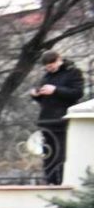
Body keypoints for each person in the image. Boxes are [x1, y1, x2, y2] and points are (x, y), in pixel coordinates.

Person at [35, 50, 84, 186]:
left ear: (59, 60)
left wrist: (55, 90)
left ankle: (61, 182)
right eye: (47, 67)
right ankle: (50, 181)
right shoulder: (47, 76)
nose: (50, 68)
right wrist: (37, 95)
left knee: (61, 153)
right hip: (47, 120)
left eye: (52, 65)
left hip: (63, 120)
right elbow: (45, 100)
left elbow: (77, 93)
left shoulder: (73, 72)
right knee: (48, 154)